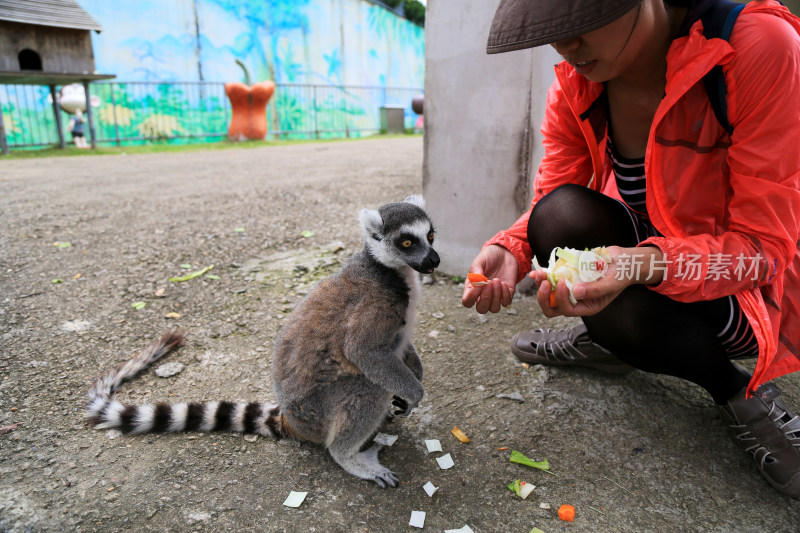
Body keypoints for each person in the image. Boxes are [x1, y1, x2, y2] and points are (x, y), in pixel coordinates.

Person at [462, 0, 800, 498]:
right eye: (555, 29)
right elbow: (554, 190)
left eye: (582, 22)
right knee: (557, 215)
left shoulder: (755, 49)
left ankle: (736, 389)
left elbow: (764, 249)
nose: (566, 45)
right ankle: (611, 341)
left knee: (634, 316)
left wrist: (645, 263)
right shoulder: (580, 82)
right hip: (646, 255)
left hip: (749, 290)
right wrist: (511, 250)